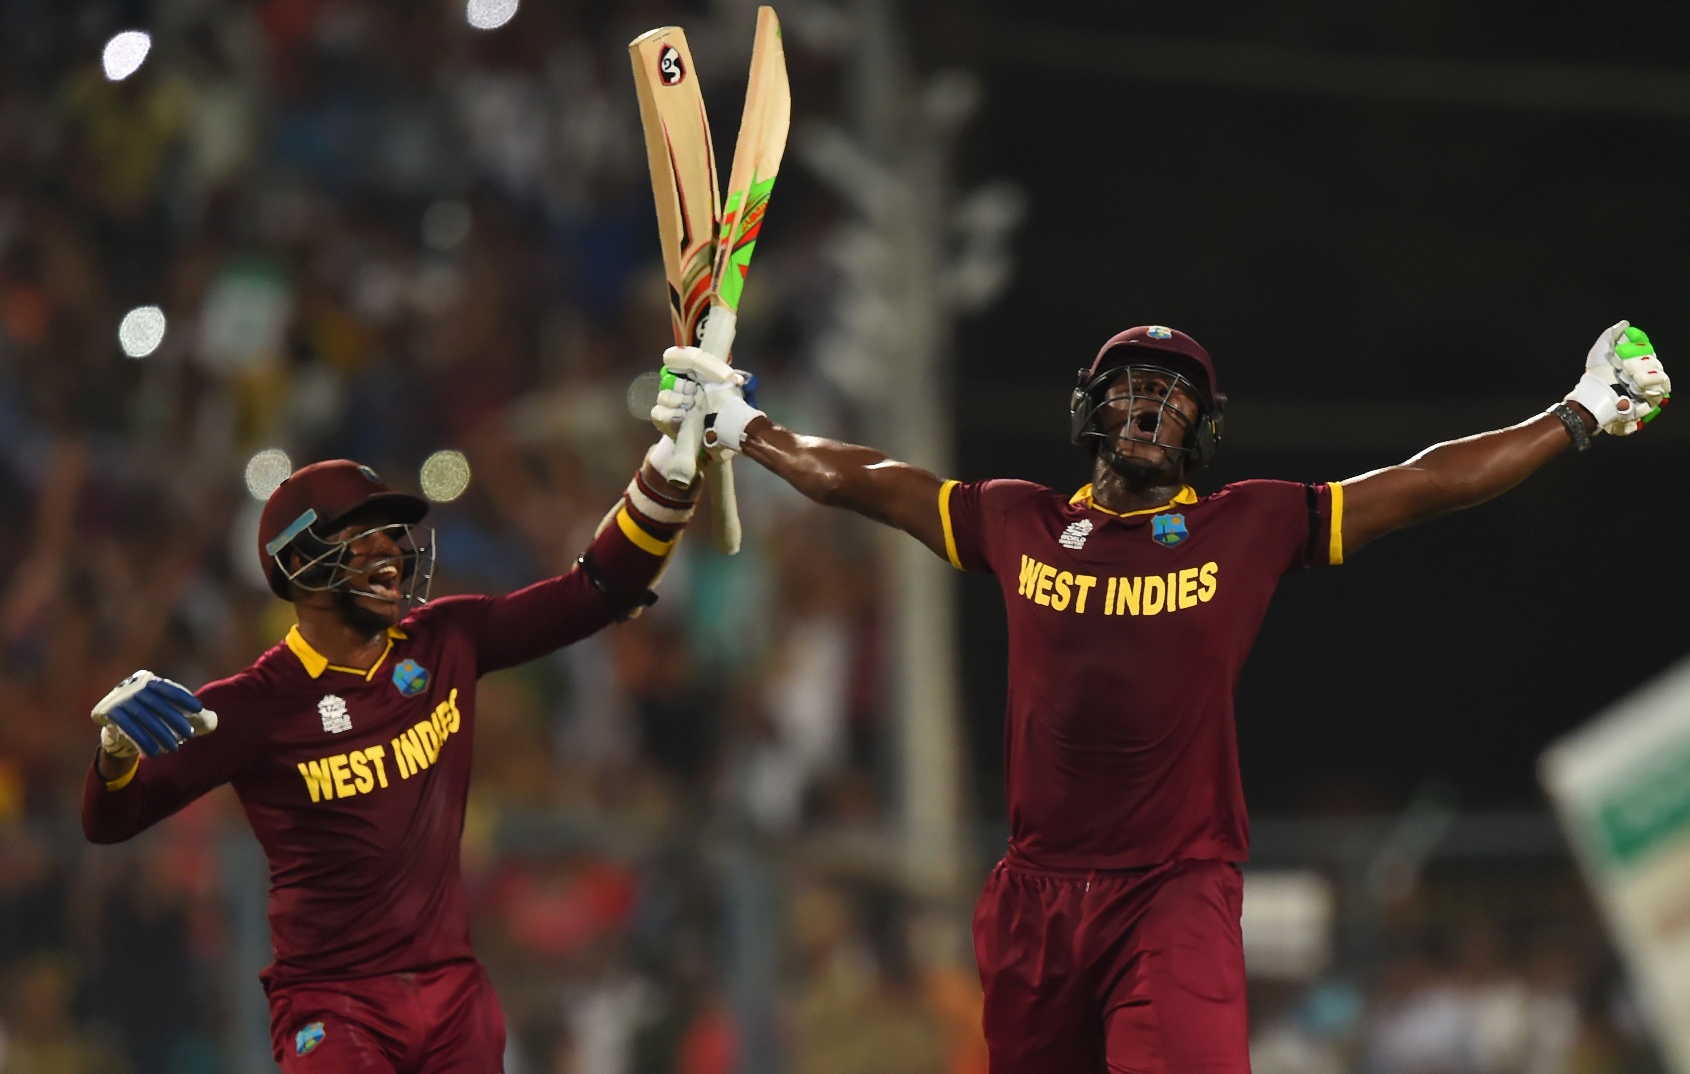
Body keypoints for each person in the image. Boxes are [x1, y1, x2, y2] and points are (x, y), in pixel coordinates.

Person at [653, 321, 1670, 1073]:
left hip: (1173, 889)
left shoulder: (1249, 526)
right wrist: (745, 425)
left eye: (1177, 396)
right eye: (1135, 386)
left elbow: (1422, 482)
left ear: (1203, 429)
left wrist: (1572, 416)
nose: (1153, 406)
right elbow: (867, 479)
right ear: (1091, 408)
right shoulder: (1020, 520)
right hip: (1032, 898)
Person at [81, 441, 700, 1073]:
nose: (390, 552)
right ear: (298, 561)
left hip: (453, 998)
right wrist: (115, 756)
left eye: (390, 533)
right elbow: (111, 823)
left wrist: (667, 478)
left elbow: (594, 592)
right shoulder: (254, 706)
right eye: (361, 535)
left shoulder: (446, 639)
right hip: (332, 1005)